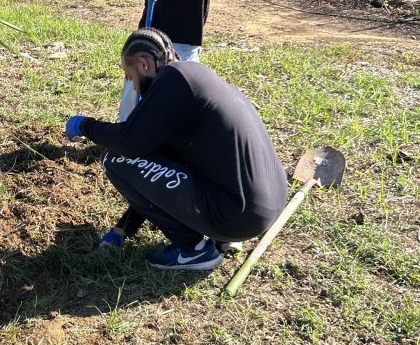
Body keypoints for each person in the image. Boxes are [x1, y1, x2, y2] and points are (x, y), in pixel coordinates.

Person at [65, 28, 288, 271]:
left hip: (236, 215)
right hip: (262, 207)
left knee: (115, 159)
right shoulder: (195, 78)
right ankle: (219, 233)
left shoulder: (173, 80)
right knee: (145, 157)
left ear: (144, 64)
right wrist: (124, 228)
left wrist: (85, 125)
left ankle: (193, 251)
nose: (135, 88)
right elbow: (157, 171)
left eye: (130, 77)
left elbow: (128, 144)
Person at [100, 0, 240, 249]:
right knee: (135, 87)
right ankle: (127, 139)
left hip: (186, 30)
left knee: (176, 93)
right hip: (154, 21)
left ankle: (163, 146)